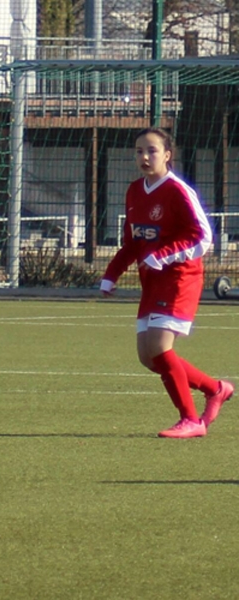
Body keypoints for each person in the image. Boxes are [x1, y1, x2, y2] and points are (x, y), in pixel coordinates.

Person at [100, 127, 233, 438]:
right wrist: (111, 274)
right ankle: (216, 389)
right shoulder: (135, 191)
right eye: (139, 151)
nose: (144, 157)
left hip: (180, 278)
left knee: (160, 348)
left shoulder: (177, 190)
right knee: (148, 357)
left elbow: (203, 237)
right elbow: (133, 242)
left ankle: (191, 421)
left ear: (167, 155)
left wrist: (163, 255)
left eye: (152, 150)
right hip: (152, 282)